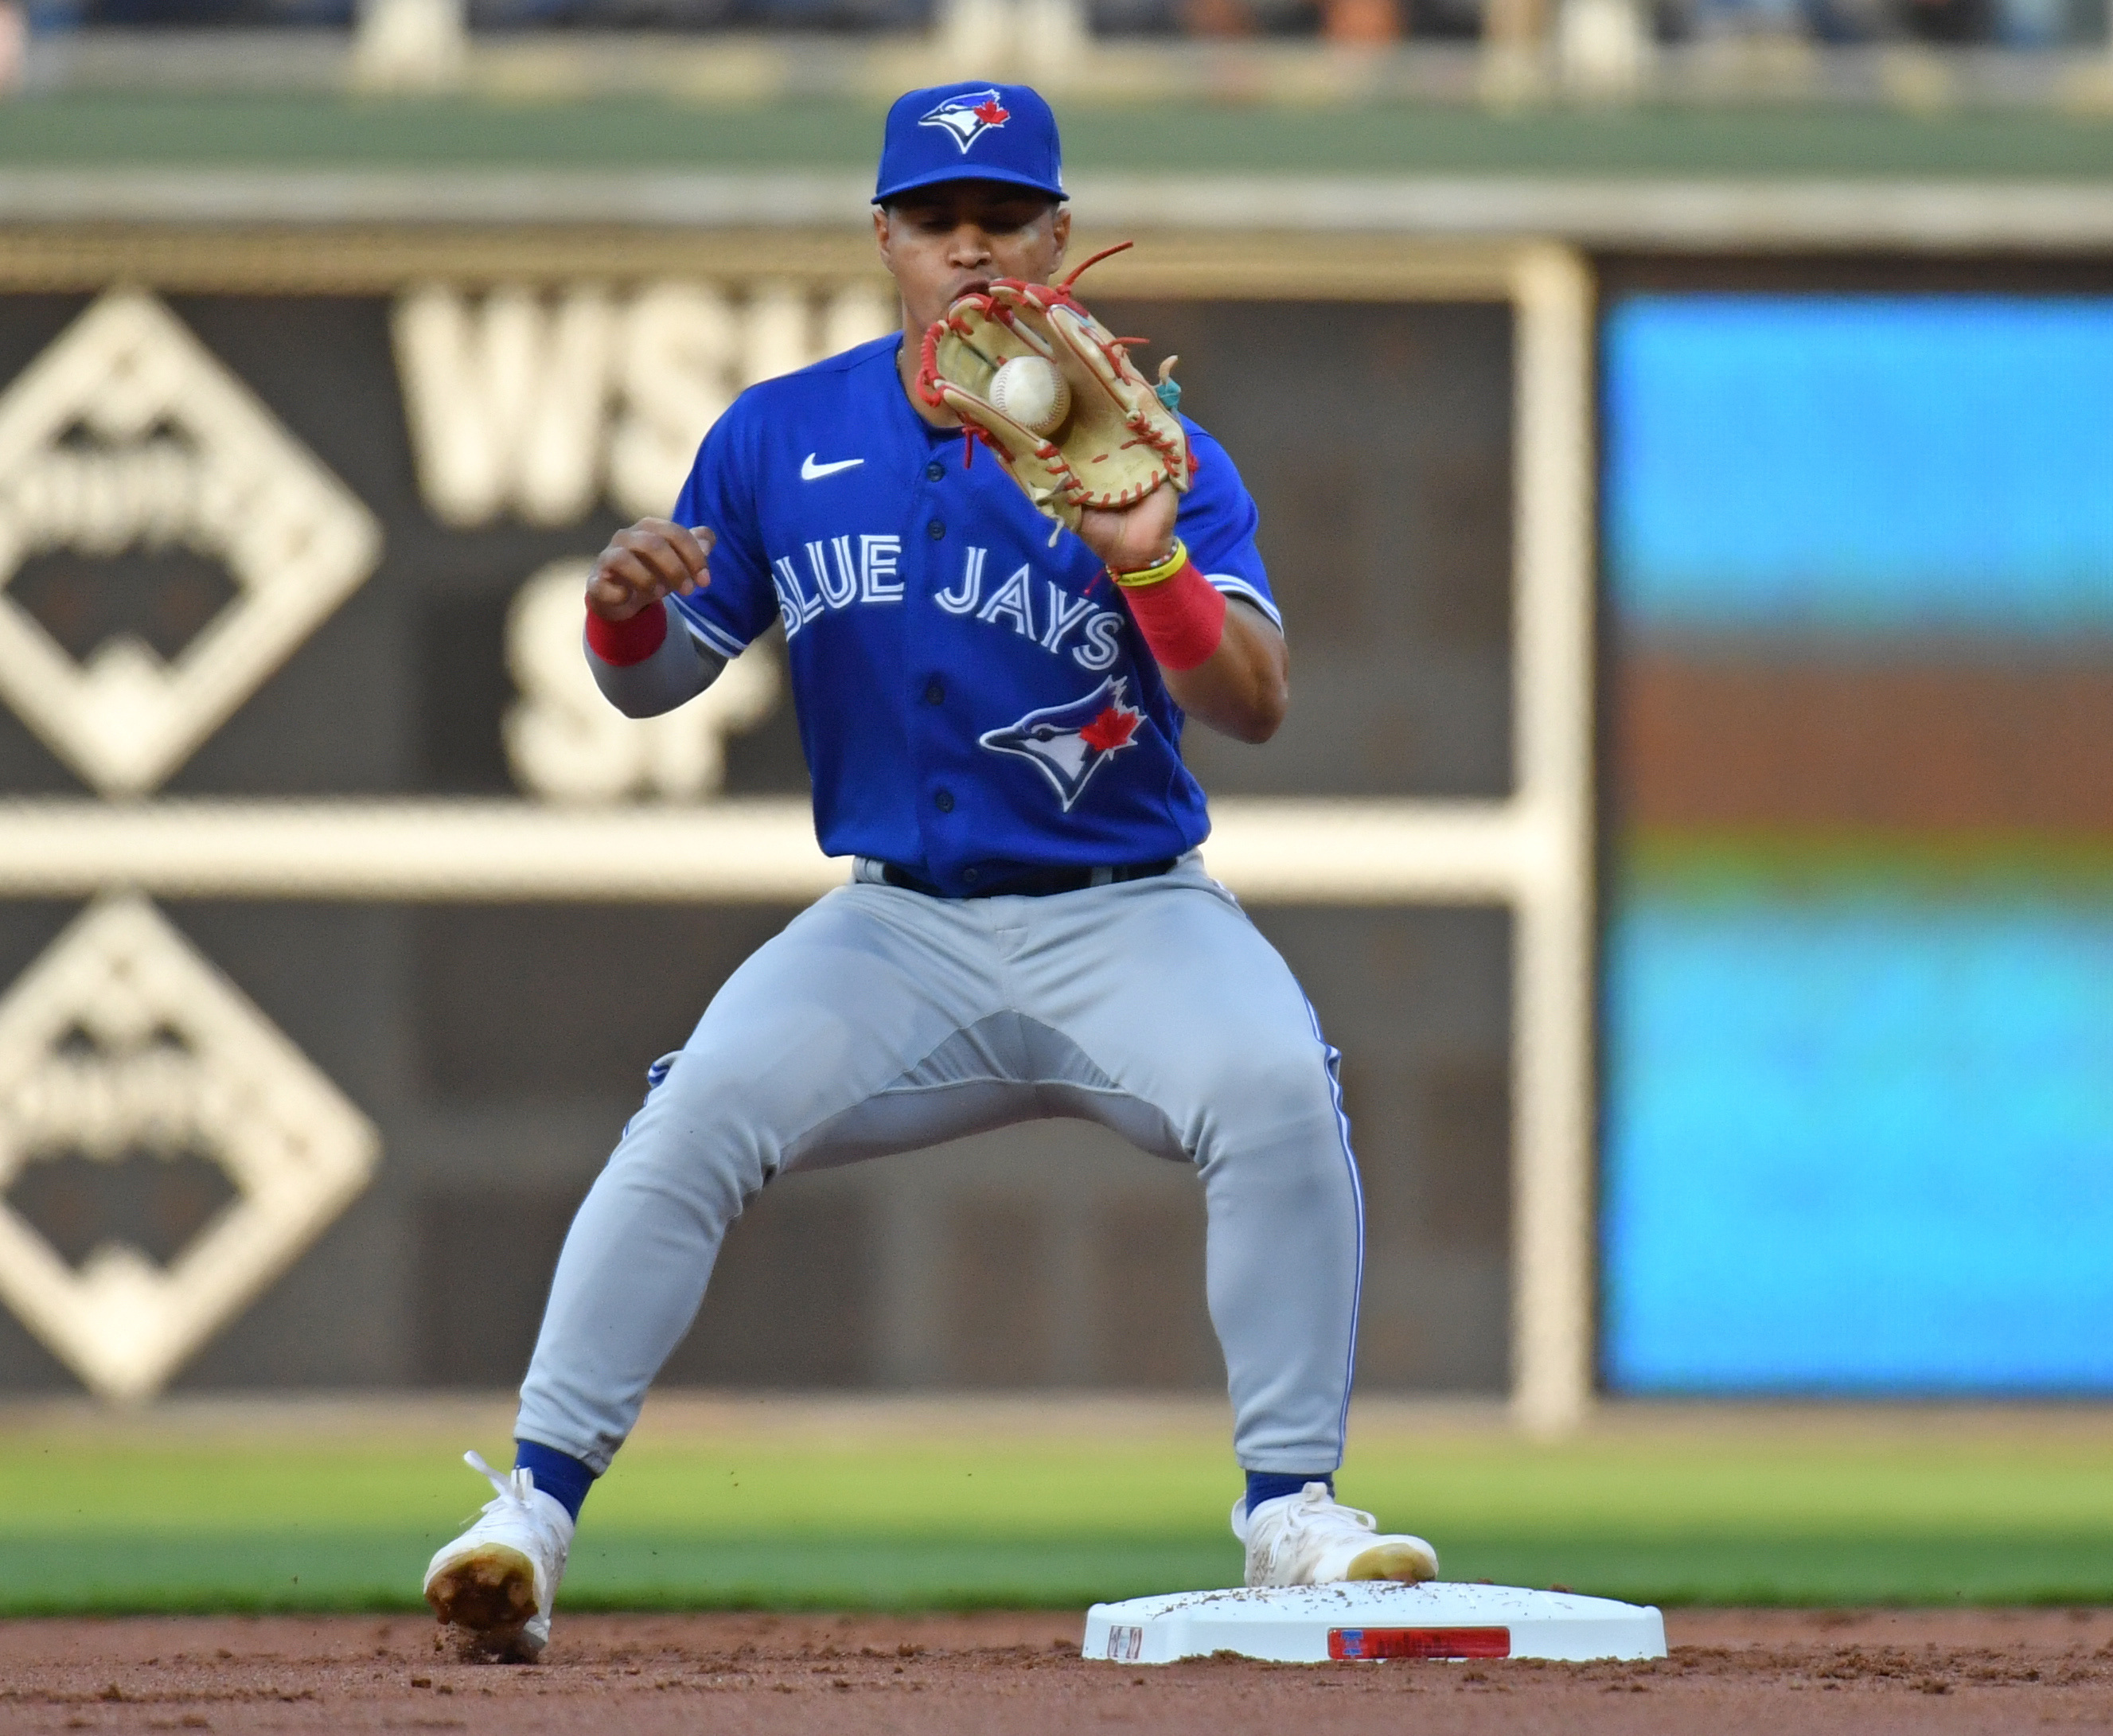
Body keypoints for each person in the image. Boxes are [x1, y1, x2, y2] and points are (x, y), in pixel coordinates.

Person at [419, 80, 1438, 1663]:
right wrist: (619, 614)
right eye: (937, 223)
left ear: (1059, 238)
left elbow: (1252, 699)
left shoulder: (1160, 449)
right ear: (884, 240)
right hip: (897, 931)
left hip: (1131, 912)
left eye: (1002, 221)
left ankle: (1294, 1508)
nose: (971, 252)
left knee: (1275, 1085)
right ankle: (527, 1516)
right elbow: (655, 682)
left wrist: (1150, 552)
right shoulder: (780, 435)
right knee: (692, 1116)